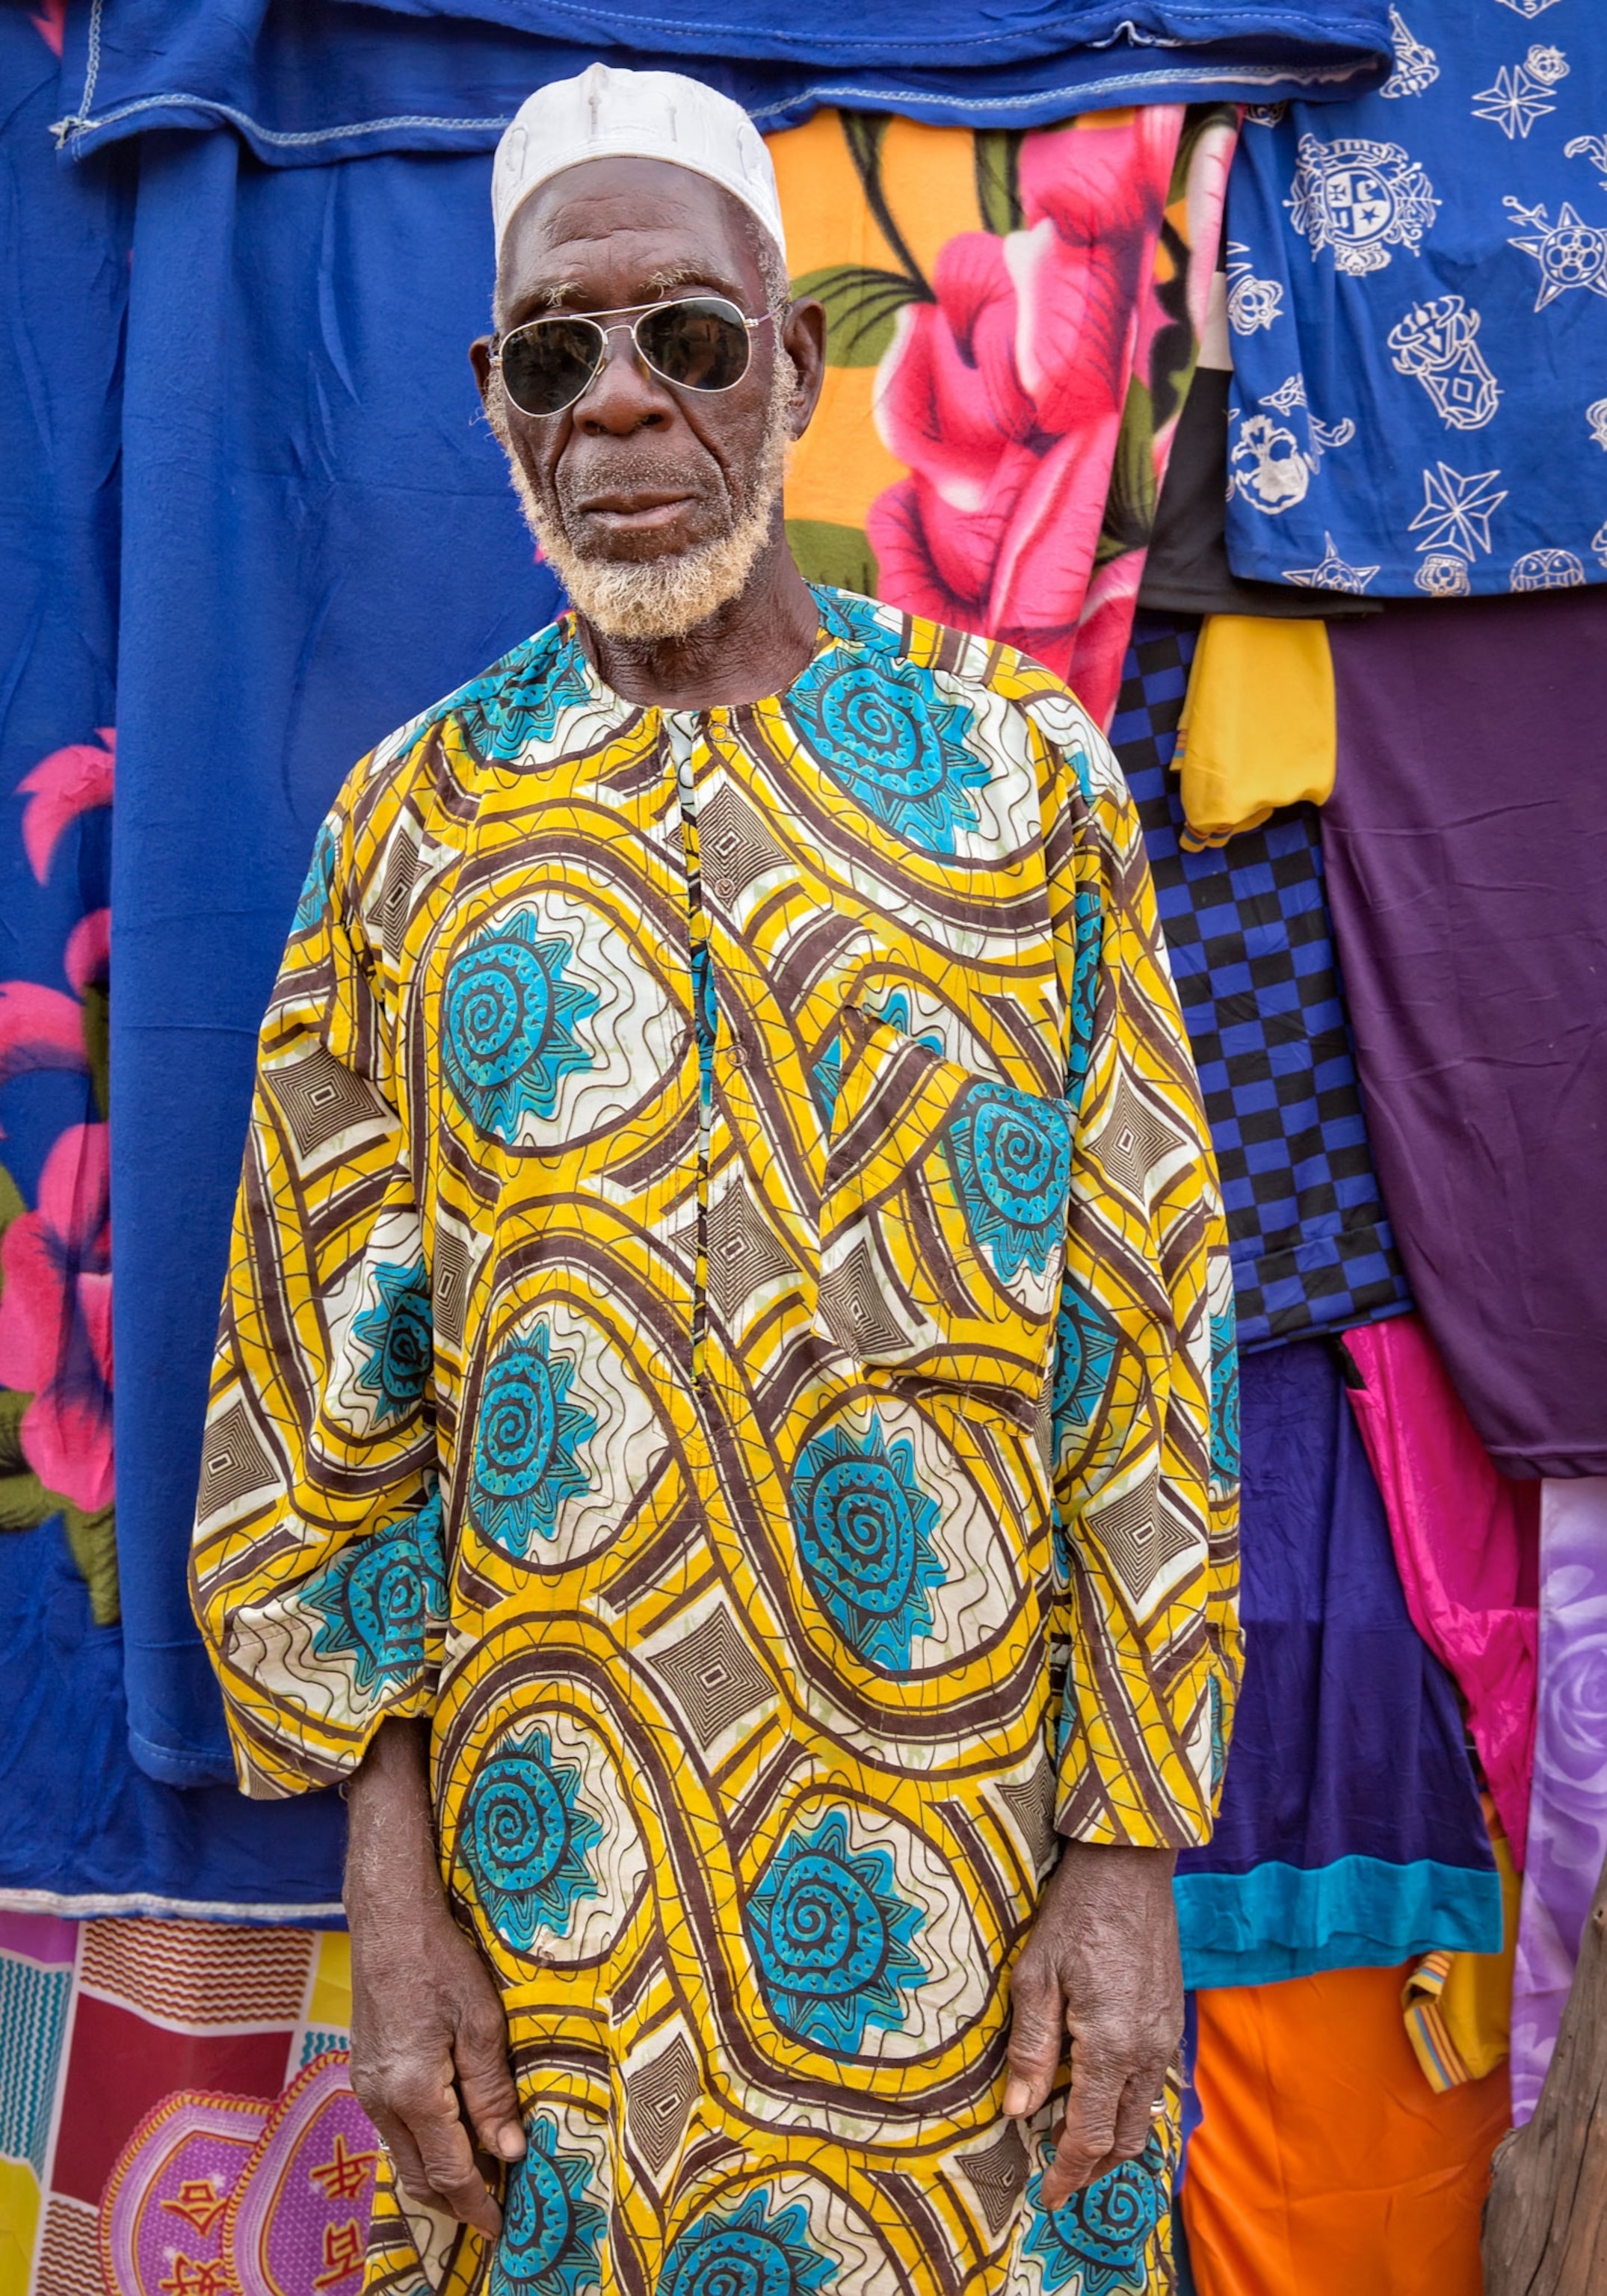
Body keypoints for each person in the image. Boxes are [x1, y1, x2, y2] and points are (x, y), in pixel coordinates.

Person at [191, 64, 1240, 2296]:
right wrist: (387, 1899)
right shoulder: (406, 831)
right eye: (559, 356)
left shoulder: (1017, 781)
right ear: (496, 400)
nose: (624, 408)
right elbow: (312, 1404)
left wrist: (1130, 1862)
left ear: (797, 358)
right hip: (548, 1926)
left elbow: (1150, 1330)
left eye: (687, 335)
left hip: (971, 1903)